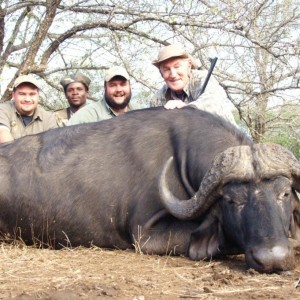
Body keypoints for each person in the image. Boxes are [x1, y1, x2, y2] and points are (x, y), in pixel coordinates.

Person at [150, 44, 237, 125]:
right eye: (166, 69)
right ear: (161, 73)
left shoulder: (203, 79)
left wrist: (187, 109)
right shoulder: (157, 100)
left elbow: (213, 101)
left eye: (177, 67)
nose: (173, 74)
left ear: (189, 66)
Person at [67, 66, 142, 126]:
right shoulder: (85, 117)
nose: (118, 89)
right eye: (112, 85)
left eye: (123, 84)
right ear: (105, 88)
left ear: (130, 87)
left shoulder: (142, 111)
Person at [0, 74, 58, 144]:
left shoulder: (49, 118)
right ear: (13, 95)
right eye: (22, 94)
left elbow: (54, 146)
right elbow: (3, 137)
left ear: (38, 96)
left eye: (32, 94)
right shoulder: (3, 109)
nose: (27, 99)